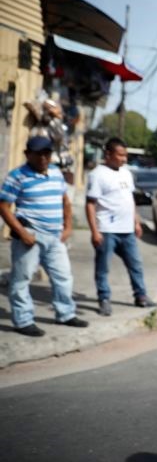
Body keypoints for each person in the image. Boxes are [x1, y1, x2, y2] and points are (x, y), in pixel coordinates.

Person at [0, 136, 88, 337]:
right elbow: (3, 207)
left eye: (46, 153)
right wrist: (22, 233)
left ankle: (65, 314)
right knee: (22, 279)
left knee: (63, 277)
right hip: (30, 236)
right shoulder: (17, 176)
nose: (43, 158)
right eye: (38, 154)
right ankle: (23, 321)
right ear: (27, 154)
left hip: (55, 237)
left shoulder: (56, 173)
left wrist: (68, 227)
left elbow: (65, 201)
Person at [85, 137, 155, 316]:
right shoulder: (97, 175)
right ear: (108, 154)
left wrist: (136, 222)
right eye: (120, 155)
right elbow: (90, 204)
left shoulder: (126, 173)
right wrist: (94, 231)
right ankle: (104, 299)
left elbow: (129, 200)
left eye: (125, 155)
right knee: (103, 267)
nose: (124, 159)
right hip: (106, 230)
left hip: (127, 230)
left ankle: (141, 296)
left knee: (136, 264)